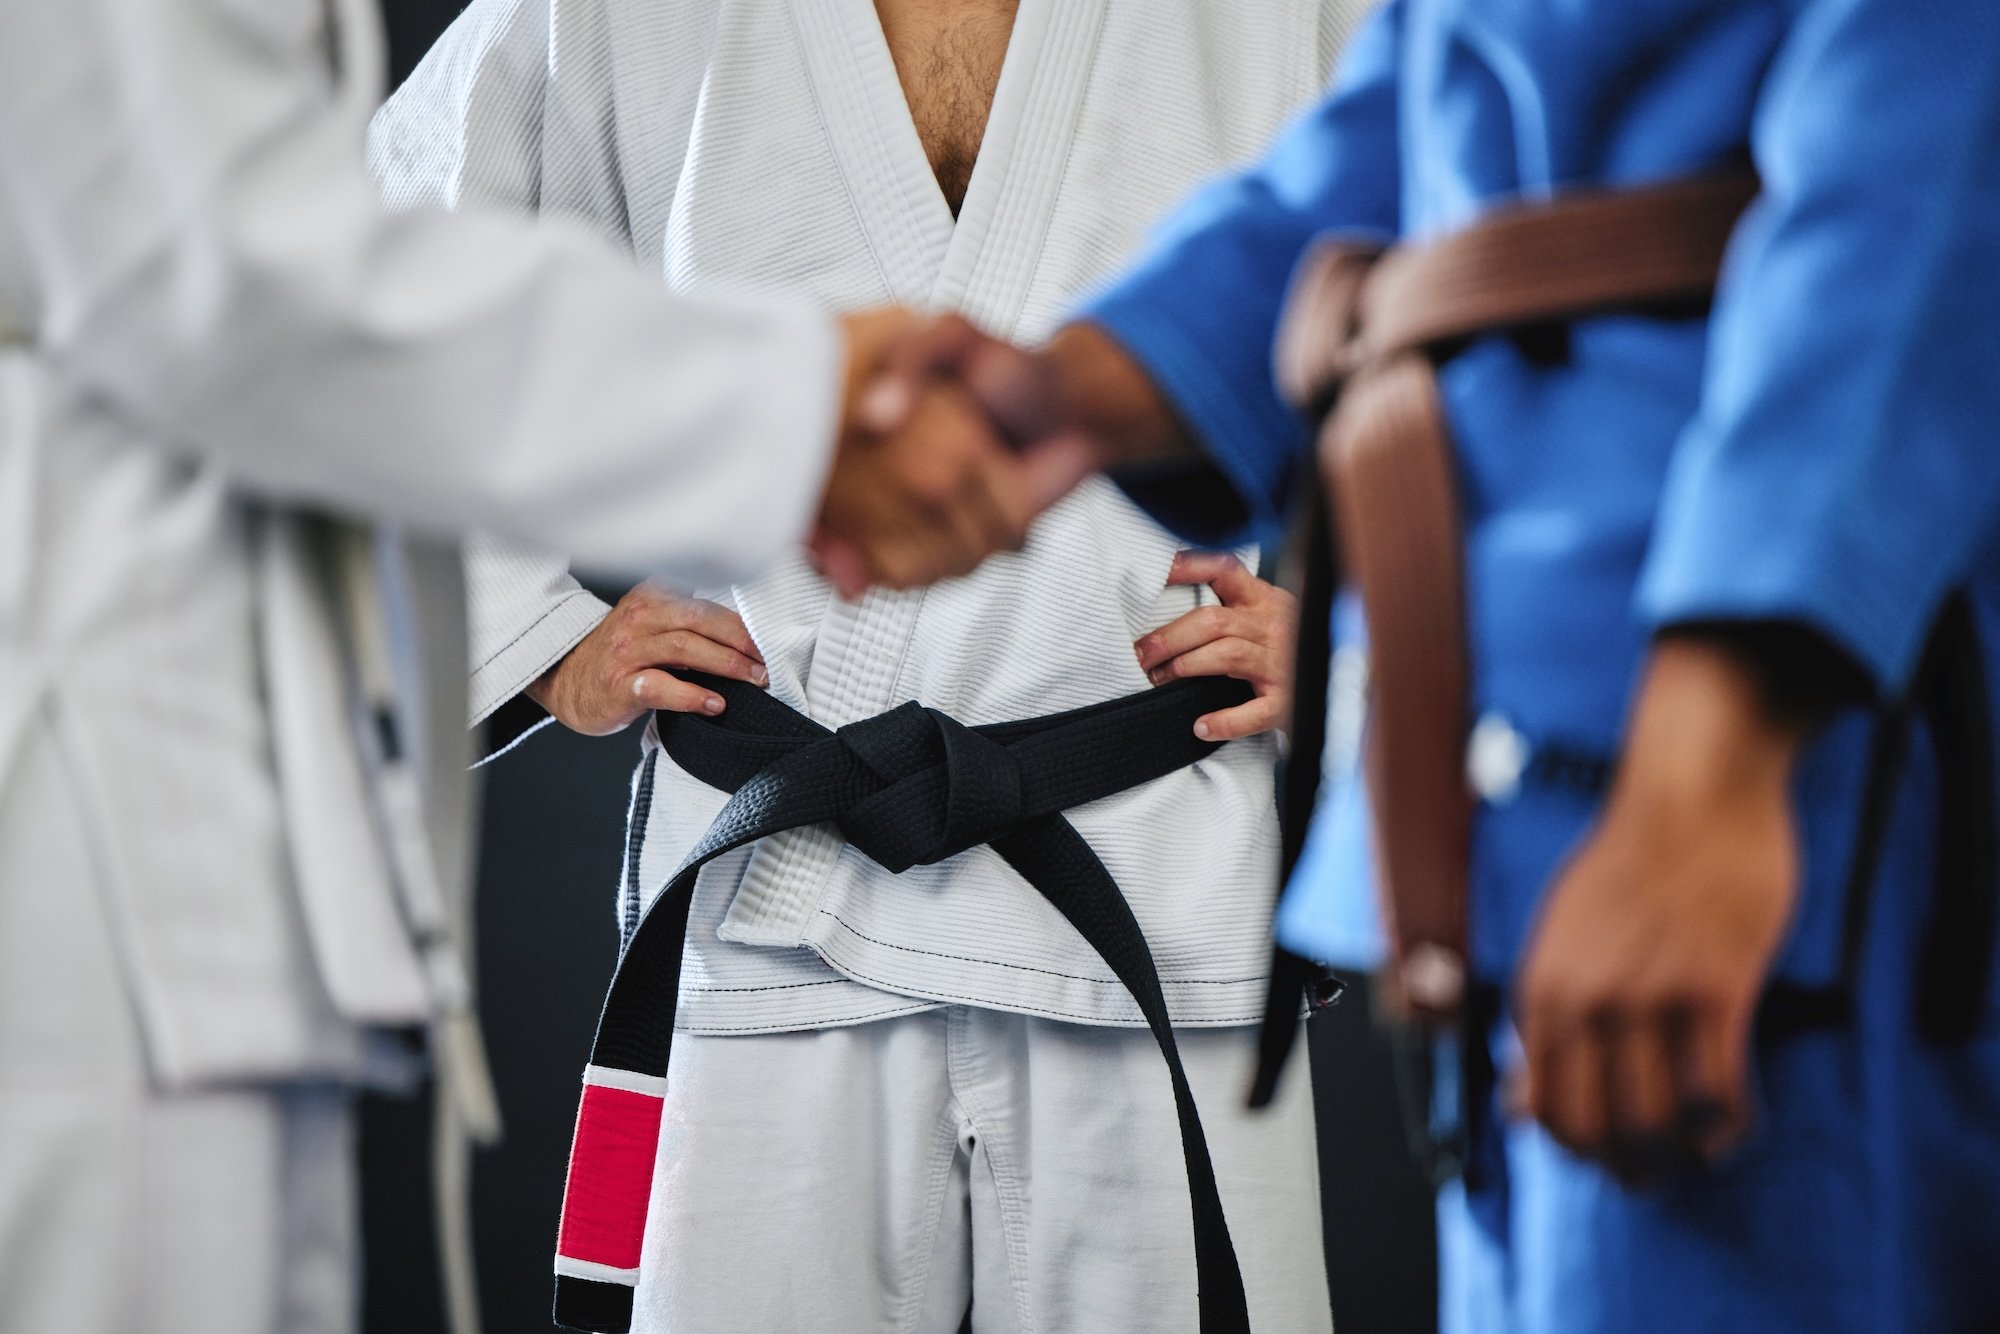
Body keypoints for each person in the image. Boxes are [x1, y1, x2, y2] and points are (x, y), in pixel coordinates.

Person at [854, 2, 2000, 1331]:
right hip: (1510, 787)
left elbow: (1925, 171)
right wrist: (1073, 389)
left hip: (1779, 768)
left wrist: (1712, 756)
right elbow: (1415, 121)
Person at [0, 0, 1066, 1330]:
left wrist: (1309, 623)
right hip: (753, 884)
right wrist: (778, 415)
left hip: (1161, 860)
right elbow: (248, 260)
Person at [368, 1, 1369, 1330]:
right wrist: (534, 637)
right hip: (775, 900)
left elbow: (1484, 281)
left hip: (1158, 894)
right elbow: (379, 267)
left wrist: (1366, 636)